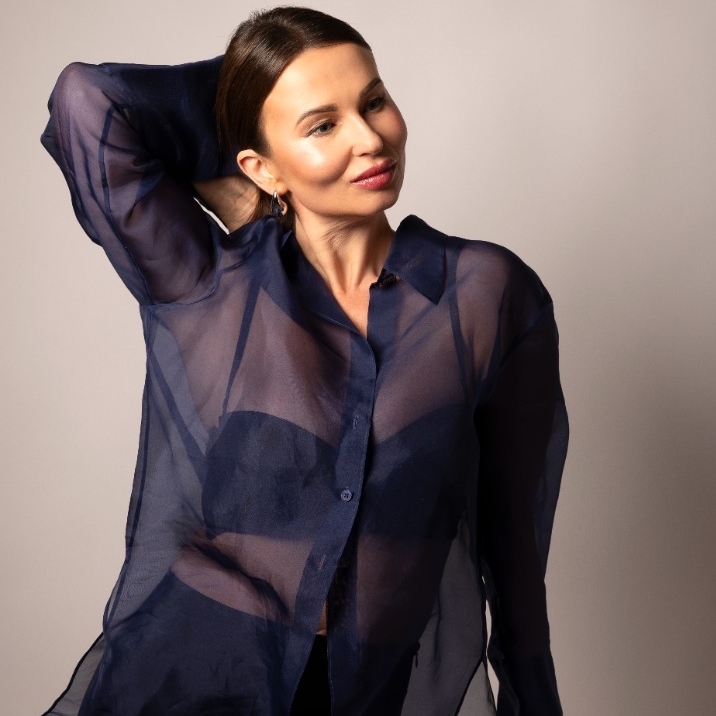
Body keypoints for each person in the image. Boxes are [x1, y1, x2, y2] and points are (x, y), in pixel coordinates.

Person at [40, 7, 568, 716]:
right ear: (259, 164)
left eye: (373, 101)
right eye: (322, 125)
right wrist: (254, 118)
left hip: (361, 692)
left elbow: (514, 542)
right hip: (187, 672)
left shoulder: (485, 294)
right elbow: (85, 98)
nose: (370, 138)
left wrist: (534, 700)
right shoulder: (213, 287)